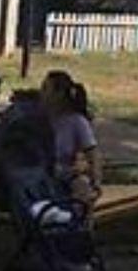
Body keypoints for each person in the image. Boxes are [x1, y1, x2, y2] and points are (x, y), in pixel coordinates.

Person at [40, 69, 102, 211]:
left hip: (66, 178)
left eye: (45, 89)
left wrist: (96, 183)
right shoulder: (38, 119)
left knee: (81, 185)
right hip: (41, 176)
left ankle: (78, 221)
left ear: (59, 94)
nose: (41, 93)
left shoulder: (76, 121)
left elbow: (93, 154)